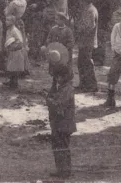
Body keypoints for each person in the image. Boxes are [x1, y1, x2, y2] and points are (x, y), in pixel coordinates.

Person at [45, 43, 76, 179]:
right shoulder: (63, 87)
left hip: (63, 124)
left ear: (63, 77)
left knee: (62, 147)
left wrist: (48, 100)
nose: (56, 79)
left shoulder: (67, 90)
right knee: (58, 147)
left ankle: (65, 172)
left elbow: (58, 106)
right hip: (60, 123)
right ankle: (62, 170)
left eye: (58, 77)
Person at [74, 0, 99, 92]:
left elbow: (89, 26)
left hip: (87, 40)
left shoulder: (90, 10)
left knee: (86, 62)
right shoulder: (88, 9)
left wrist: (78, 28)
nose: (80, 1)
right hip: (85, 40)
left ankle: (91, 85)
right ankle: (84, 84)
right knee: (82, 62)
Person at [3, 14, 27, 90]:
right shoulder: (8, 30)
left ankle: (15, 83)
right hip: (11, 50)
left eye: (8, 20)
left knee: (15, 68)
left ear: (13, 22)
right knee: (11, 67)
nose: (6, 22)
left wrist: (13, 47)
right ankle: (11, 81)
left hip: (17, 51)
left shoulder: (15, 30)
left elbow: (20, 41)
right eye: (6, 20)